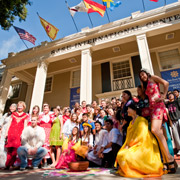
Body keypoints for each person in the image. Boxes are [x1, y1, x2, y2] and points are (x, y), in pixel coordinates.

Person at [139, 68, 177, 173]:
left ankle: (169, 158)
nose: (142, 77)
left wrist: (164, 96)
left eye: (143, 74)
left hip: (158, 106)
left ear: (147, 73)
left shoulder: (153, 78)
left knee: (155, 130)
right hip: (151, 108)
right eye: (140, 76)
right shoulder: (144, 85)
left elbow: (166, 83)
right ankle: (168, 161)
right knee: (159, 133)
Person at [115, 103, 164, 178]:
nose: (127, 110)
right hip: (133, 145)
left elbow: (141, 135)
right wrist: (127, 145)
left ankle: (140, 170)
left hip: (144, 145)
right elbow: (128, 137)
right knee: (121, 153)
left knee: (125, 155)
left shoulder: (142, 120)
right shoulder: (131, 122)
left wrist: (130, 145)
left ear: (135, 110)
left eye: (129, 109)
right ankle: (132, 170)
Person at [5, 101, 28, 170]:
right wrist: (6, 132)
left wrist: (23, 135)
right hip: (11, 133)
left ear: (23, 107)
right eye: (18, 106)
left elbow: (25, 126)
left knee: (16, 150)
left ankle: (11, 163)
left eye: (21, 106)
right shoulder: (13, 114)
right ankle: (7, 164)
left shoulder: (25, 115)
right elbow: (9, 123)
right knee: (9, 149)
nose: (19, 107)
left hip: (19, 134)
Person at [0, 103, 17, 168]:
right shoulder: (6, 115)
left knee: (7, 148)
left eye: (14, 107)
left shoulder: (16, 115)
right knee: (1, 147)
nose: (12, 108)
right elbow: (1, 123)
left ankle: (6, 163)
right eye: (11, 106)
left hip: (11, 132)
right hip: (4, 132)